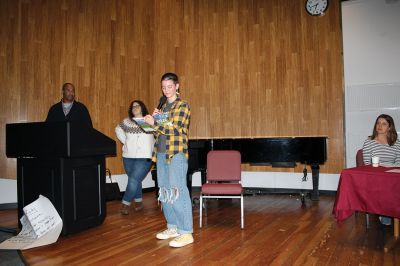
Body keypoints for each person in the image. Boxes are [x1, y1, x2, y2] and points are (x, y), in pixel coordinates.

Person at [144, 72, 193, 248]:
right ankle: (172, 227)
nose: (166, 90)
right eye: (163, 87)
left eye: (169, 87)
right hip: (162, 154)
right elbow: (159, 132)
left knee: (178, 191)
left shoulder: (182, 106)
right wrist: (152, 122)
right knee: (165, 192)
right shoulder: (163, 108)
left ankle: (186, 232)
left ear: (177, 86)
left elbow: (175, 129)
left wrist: (155, 123)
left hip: (176, 154)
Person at [115, 100, 155, 215]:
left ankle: (125, 203)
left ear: (142, 107)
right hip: (128, 156)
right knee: (134, 179)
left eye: (137, 106)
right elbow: (118, 129)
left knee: (133, 179)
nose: (135, 108)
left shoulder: (149, 120)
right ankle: (138, 201)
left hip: (145, 156)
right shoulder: (126, 122)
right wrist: (125, 141)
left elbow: (158, 133)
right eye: (133, 107)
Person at [362, 114, 400, 225]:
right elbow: (367, 164)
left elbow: (398, 162)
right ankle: (385, 213)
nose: (380, 126)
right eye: (378, 123)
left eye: (384, 124)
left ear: (389, 127)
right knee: (385, 185)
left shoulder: (396, 143)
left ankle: (392, 211)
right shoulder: (369, 141)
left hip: (392, 174)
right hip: (376, 175)